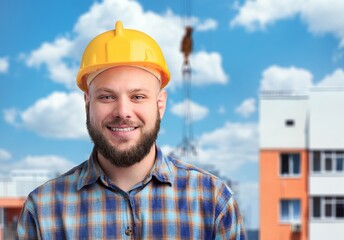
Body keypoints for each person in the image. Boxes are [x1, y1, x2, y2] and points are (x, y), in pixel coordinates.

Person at [17, 21, 246, 239]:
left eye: (138, 97)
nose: (123, 111)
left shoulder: (213, 201)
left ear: (160, 104)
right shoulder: (43, 210)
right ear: (87, 104)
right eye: (107, 97)